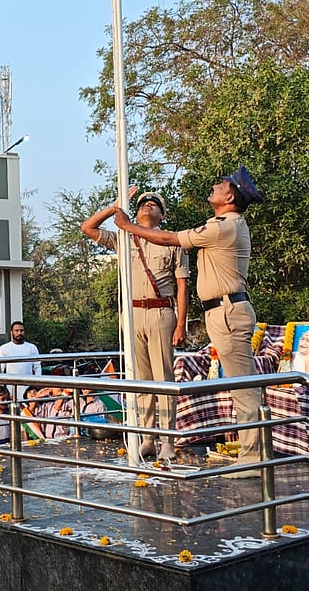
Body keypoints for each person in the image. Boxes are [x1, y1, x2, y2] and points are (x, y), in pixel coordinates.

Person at [114, 165, 265, 478]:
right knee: (239, 385)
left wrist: (128, 226)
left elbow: (169, 239)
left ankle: (253, 457)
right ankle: (252, 452)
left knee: (243, 387)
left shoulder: (225, 226)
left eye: (222, 184)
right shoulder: (222, 223)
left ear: (231, 196)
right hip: (221, 311)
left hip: (228, 310)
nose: (215, 185)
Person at [82, 187, 191, 460]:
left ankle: (168, 439)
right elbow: (88, 227)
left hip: (161, 312)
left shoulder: (171, 241)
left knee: (163, 379)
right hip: (132, 314)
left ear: (162, 214)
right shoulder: (124, 237)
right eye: (143, 203)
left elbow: (182, 285)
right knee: (140, 380)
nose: (147, 206)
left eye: (154, 204)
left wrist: (181, 324)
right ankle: (148, 437)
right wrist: (115, 207)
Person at [0, 321, 40, 400]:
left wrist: (36, 384)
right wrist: (3, 390)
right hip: (11, 388)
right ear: (11, 332)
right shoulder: (4, 348)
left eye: (21, 330)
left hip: (29, 388)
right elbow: (1, 370)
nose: (19, 333)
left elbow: (37, 367)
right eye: (16, 331)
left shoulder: (32, 347)